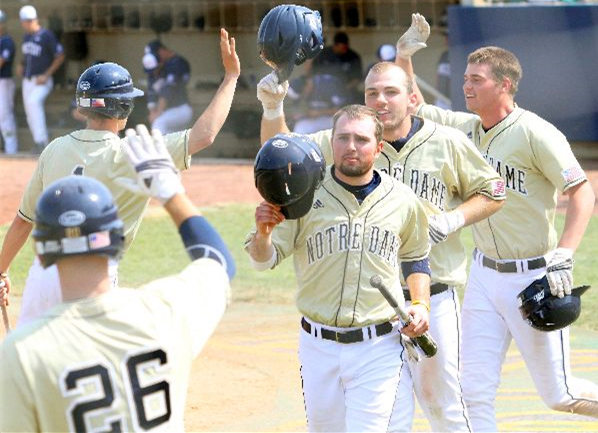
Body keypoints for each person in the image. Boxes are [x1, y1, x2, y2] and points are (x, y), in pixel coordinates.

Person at [258, 51, 506, 430]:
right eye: (372, 92)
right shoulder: (345, 140)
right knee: (385, 418)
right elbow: (282, 155)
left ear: (411, 98)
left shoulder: (447, 142)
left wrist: (454, 218)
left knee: (443, 402)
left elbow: (494, 191)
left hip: (431, 294)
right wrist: (273, 106)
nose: (380, 100)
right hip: (368, 310)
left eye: (390, 92)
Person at [396, 14, 598, 430]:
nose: (467, 86)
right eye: (466, 78)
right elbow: (412, 105)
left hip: (533, 277)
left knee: (559, 394)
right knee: (473, 391)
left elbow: (582, 191)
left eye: (477, 80)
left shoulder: (537, 133)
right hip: (483, 276)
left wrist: (564, 254)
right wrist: (404, 56)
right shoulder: (465, 128)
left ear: (504, 85)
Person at [0, 124, 235, 431]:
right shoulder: (164, 312)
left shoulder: (21, 355)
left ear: (41, 254)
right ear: (116, 239)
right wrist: (170, 193)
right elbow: (218, 262)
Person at [0, 28, 240, 327]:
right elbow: (204, 135)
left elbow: (23, 221)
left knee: (32, 365)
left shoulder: (54, 149)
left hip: (43, 275)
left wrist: (1, 271)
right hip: (93, 279)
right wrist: (230, 77)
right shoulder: (136, 153)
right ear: (124, 108)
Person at [246, 105, 432, 432]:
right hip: (317, 346)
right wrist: (263, 234)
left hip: (377, 346)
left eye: (361, 139)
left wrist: (420, 304)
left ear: (379, 147)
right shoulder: (303, 195)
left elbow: (416, 257)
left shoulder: (402, 200)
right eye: (342, 138)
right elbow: (264, 260)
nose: (350, 146)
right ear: (331, 143)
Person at [17, 5, 65, 153]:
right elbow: (27, 56)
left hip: (42, 80)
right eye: (26, 21)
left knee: (33, 103)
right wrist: (20, 64)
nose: (27, 23)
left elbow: (60, 55)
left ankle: (42, 142)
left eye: (29, 20)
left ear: (35, 20)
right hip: (28, 80)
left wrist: (47, 74)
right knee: (29, 112)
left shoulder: (46, 35)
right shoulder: (26, 37)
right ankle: (38, 141)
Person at [145, 39, 193, 134]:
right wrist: (153, 112)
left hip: (180, 108)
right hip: (167, 112)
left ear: (161, 51)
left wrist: (157, 112)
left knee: (159, 123)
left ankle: (157, 149)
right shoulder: (159, 67)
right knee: (168, 134)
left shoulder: (177, 63)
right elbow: (152, 91)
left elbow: (168, 90)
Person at [310, 31, 363, 104]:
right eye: (342, 47)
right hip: (323, 91)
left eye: (346, 47)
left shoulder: (353, 57)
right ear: (336, 45)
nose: (345, 50)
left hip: (345, 91)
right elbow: (313, 73)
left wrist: (344, 88)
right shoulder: (324, 54)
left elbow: (357, 78)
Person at [0, 9, 18, 154]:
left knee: (4, 115)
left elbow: (1, 62)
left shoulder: (6, 41)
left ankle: (11, 150)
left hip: (3, 82)